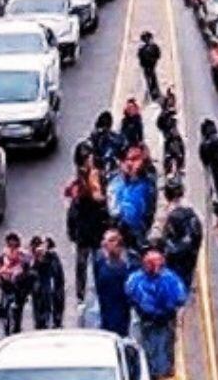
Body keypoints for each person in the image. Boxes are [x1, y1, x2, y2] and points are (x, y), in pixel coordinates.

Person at [125, 247, 188, 380]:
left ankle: (160, 372)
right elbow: (130, 295)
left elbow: (180, 299)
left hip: (163, 323)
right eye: (149, 263)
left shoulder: (170, 280)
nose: (152, 267)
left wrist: (175, 320)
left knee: (161, 354)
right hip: (144, 321)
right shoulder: (136, 279)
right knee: (142, 351)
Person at [64, 142, 109, 303]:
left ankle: (97, 290)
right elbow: (74, 204)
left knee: (97, 260)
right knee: (83, 261)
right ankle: (81, 294)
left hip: (95, 226)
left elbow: (100, 199)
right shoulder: (79, 181)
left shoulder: (97, 176)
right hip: (85, 227)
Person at [0, 232, 35, 336]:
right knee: (3, 310)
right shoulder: (1, 258)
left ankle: (16, 329)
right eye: (10, 244)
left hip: (19, 291)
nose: (12, 248)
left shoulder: (24, 258)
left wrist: (21, 279)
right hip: (6, 289)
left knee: (17, 312)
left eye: (14, 244)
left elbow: (31, 274)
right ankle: (7, 329)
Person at [91, 229, 138, 336]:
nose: (105, 243)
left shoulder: (130, 263)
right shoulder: (99, 260)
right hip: (104, 309)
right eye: (104, 240)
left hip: (123, 311)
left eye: (111, 240)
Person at [108, 149, 157, 251]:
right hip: (122, 230)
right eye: (127, 160)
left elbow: (152, 208)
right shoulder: (116, 182)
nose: (130, 164)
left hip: (140, 230)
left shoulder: (147, 182)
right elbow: (113, 209)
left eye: (135, 160)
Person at [159, 177, 203, 288]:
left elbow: (165, 234)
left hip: (178, 253)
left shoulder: (171, 213)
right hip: (190, 251)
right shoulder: (190, 208)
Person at [30, 236, 66, 330]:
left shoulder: (53, 258)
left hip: (53, 294)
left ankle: (55, 323)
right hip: (41, 298)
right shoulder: (32, 261)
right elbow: (31, 277)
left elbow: (59, 278)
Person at [137, 31, 162, 102]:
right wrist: (154, 60)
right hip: (151, 65)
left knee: (149, 78)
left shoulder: (142, 49)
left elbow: (139, 57)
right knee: (152, 77)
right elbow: (158, 54)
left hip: (147, 66)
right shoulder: (153, 46)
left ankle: (152, 91)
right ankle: (154, 90)